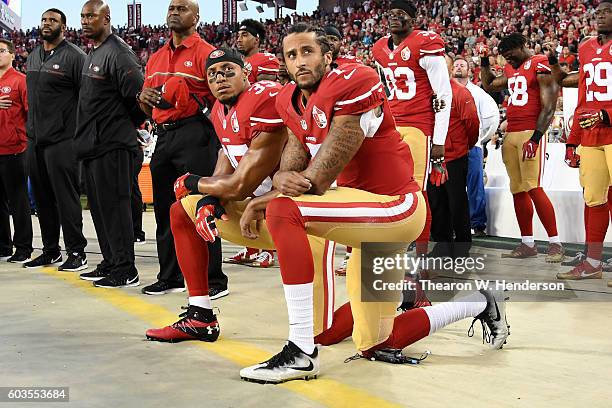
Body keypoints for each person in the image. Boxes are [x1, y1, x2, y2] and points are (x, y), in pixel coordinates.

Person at [237, 23, 427, 384]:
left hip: (395, 208)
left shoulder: (357, 78)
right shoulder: (288, 98)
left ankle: (300, 351)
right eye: (291, 55)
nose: (299, 62)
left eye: (307, 51)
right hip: (360, 216)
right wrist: (277, 181)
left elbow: (318, 177)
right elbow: (291, 167)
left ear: (328, 54)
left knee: (283, 209)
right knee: (377, 342)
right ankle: (481, 302)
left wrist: (275, 193)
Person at [145, 47, 336, 342]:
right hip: (270, 211)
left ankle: (385, 313)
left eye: (228, 71)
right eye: (212, 74)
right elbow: (227, 173)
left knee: (325, 333)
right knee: (182, 210)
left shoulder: (264, 100)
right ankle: (200, 316)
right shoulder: (221, 111)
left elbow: (240, 186)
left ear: (247, 73)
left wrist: (193, 182)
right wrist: (210, 199)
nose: (220, 78)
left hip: (309, 216)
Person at [137, 0, 227, 297]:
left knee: (201, 206)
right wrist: (146, 100)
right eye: (171, 8)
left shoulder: (206, 53)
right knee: (165, 209)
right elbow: (145, 102)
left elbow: (223, 97)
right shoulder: (156, 57)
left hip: (196, 135)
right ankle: (170, 275)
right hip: (164, 135)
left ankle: (213, 280)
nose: (174, 11)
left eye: (182, 8)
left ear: (196, 17)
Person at [372, 0, 452, 263]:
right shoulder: (381, 49)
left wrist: (439, 140)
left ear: (413, 20)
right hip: (394, 126)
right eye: (391, 13)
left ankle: (420, 255)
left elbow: (443, 94)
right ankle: (396, 246)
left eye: (401, 14)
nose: (395, 17)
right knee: (390, 188)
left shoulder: (425, 44)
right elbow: (386, 89)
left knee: (417, 192)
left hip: (420, 126)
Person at [75, 0, 146, 287]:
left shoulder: (118, 52)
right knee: (100, 208)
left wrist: (120, 126)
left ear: (106, 18)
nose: (84, 20)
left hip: (114, 145)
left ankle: (126, 268)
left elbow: (139, 99)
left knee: (116, 209)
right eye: (82, 16)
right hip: (94, 146)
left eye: (91, 15)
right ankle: (110, 261)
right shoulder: (96, 52)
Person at [479, 33, 564, 263]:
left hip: (529, 132)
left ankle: (555, 243)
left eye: (511, 55)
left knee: (534, 187)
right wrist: (485, 61)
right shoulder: (509, 68)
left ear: (523, 46)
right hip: (511, 133)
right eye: (505, 57)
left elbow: (550, 104)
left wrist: (536, 138)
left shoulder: (539, 63)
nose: (509, 60)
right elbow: (488, 85)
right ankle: (528, 243)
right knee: (517, 189)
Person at [551, 0, 612, 285]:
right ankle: (593, 262)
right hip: (590, 135)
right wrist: (572, 140)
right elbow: (586, 94)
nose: (601, 17)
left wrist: (605, 114)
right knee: (594, 199)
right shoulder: (587, 48)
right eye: (598, 13)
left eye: (607, 12)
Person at [24, 8, 88, 271]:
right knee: (42, 198)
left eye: (52, 20)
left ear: (64, 26)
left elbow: (86, 99)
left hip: (63, 140)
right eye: (43, 20)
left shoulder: (75, 57)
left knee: (66, 198)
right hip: (35, 139)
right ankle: (51, 250)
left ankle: (77, 251)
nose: (46, 23)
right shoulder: (32, 56)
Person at [427, 55, 480, 259]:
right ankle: (442, 244)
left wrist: (464, 146)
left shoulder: (460, 93)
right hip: (433, 157)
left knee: (457, 201)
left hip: (455, 157)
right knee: (437, 202)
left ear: (449, 71)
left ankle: (462, 245)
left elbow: (472, 124)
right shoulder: (427, 93)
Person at [452, 56, 500, 236]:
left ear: (469, 70)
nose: (458, 67)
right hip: (451, 147)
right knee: (453, 188)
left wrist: (480, 139)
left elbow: (492, 118)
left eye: (462, 65)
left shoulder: (478, 93)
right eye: (456, 65)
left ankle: (478, 224)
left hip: (472, 146)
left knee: (475, 185)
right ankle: (455, 225)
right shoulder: (445, 91)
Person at [0, 39, 33, 264]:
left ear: (13, 55)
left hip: (15, 149)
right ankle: (3, 246)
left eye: (2, 51)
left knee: (18, 201)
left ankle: (23, 247)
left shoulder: (21, 80)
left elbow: (31, 114)